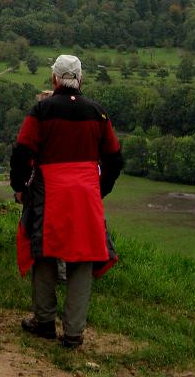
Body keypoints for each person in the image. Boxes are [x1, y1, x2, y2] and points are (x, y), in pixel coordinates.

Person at [10, 55, 123, 349]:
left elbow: (22, 151)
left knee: (45, 253)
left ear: (54, 80)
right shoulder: (98, 113)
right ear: (81, 80)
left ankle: (44, 321)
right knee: (82, 259)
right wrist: (101, 188)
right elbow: (114, 157)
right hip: (86, 191)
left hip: (50, 189)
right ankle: (73, 333)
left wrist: (20, 187)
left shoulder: (42, 110)